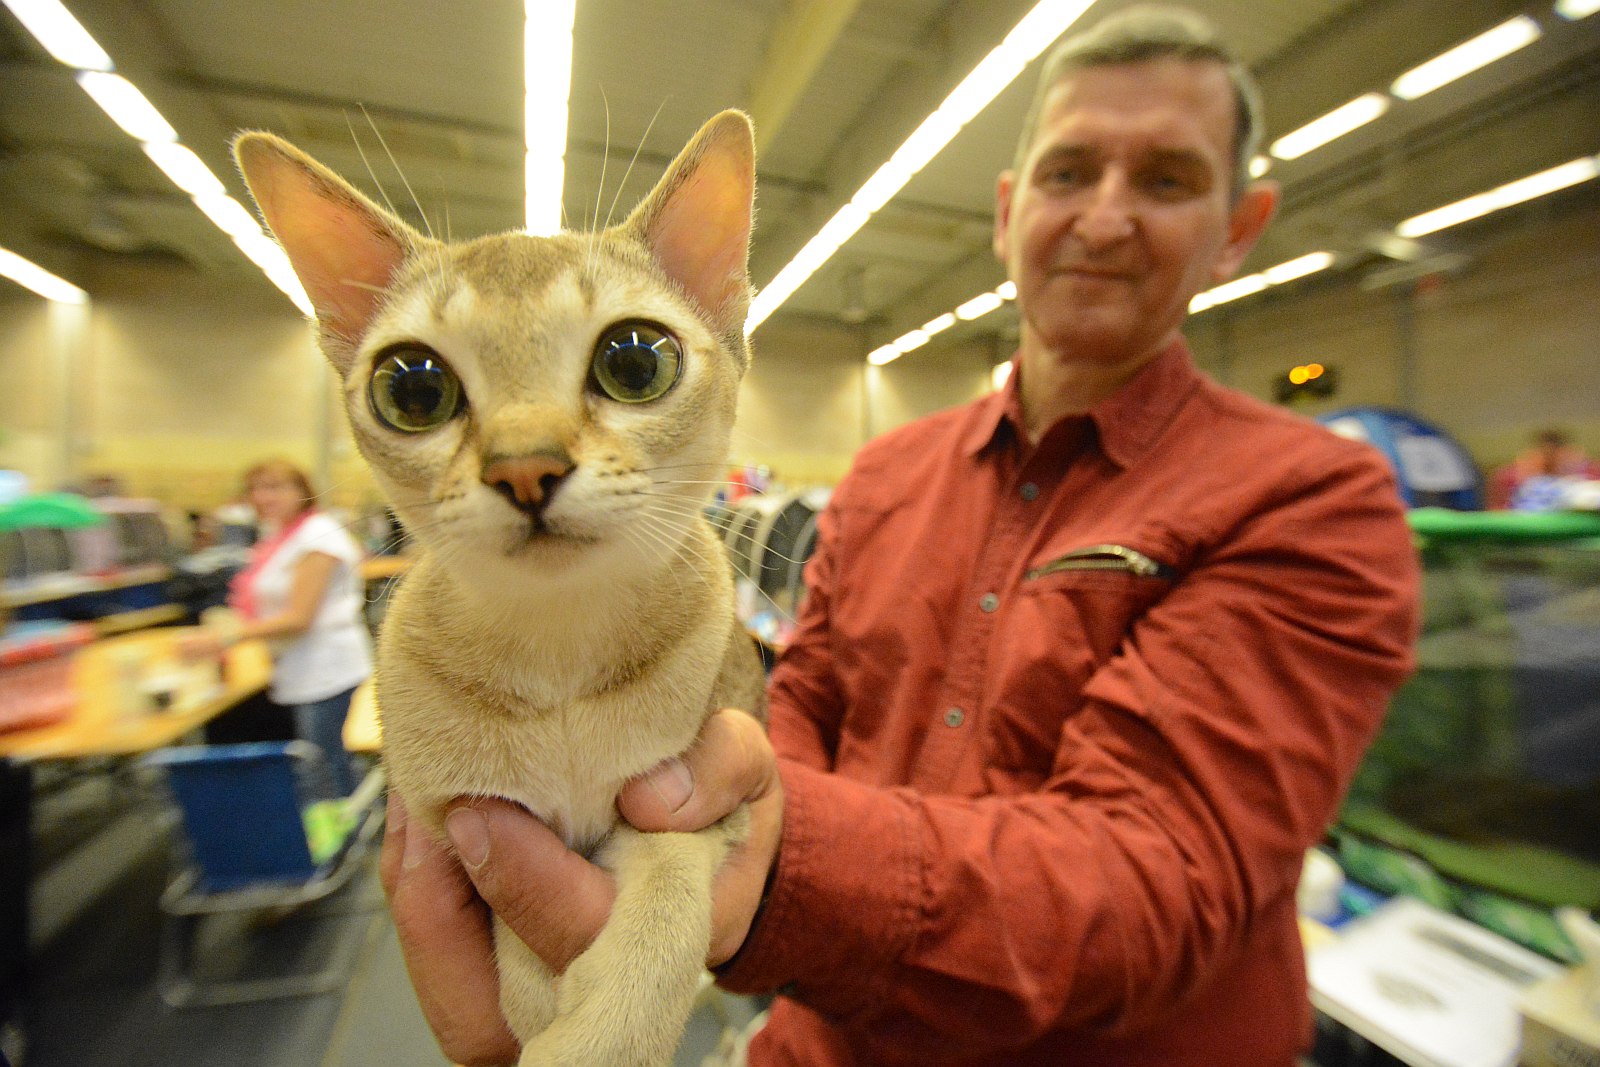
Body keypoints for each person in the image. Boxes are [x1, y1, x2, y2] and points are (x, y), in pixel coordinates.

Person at [379, 7, 1420, 1065]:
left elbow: (1157, 881)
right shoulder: (887, 475)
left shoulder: (1311, 501)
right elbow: (798, 704)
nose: (1104, 219)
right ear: (1009, 212)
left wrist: (763, 869)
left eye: (1165, 180)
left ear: (1239, 227)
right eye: (1067, 174)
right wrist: (688, 841)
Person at [183, 459, 372, 796]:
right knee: (320, 761)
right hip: (299, 667)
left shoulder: (318, 535)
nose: (263, 496)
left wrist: (226, 637)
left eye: (275, 487)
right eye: (255, 488)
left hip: (326, 669)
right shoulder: (282, 536)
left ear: (302, 491)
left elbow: (299, 618)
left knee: (325, 766)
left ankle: (341, 839)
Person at [1488, 427, 1600, 510]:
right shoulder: (1509, 476)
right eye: (1544, 454)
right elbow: (1496, 512)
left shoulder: (1591, 473)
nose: (1550, 459)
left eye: (1555, 454)